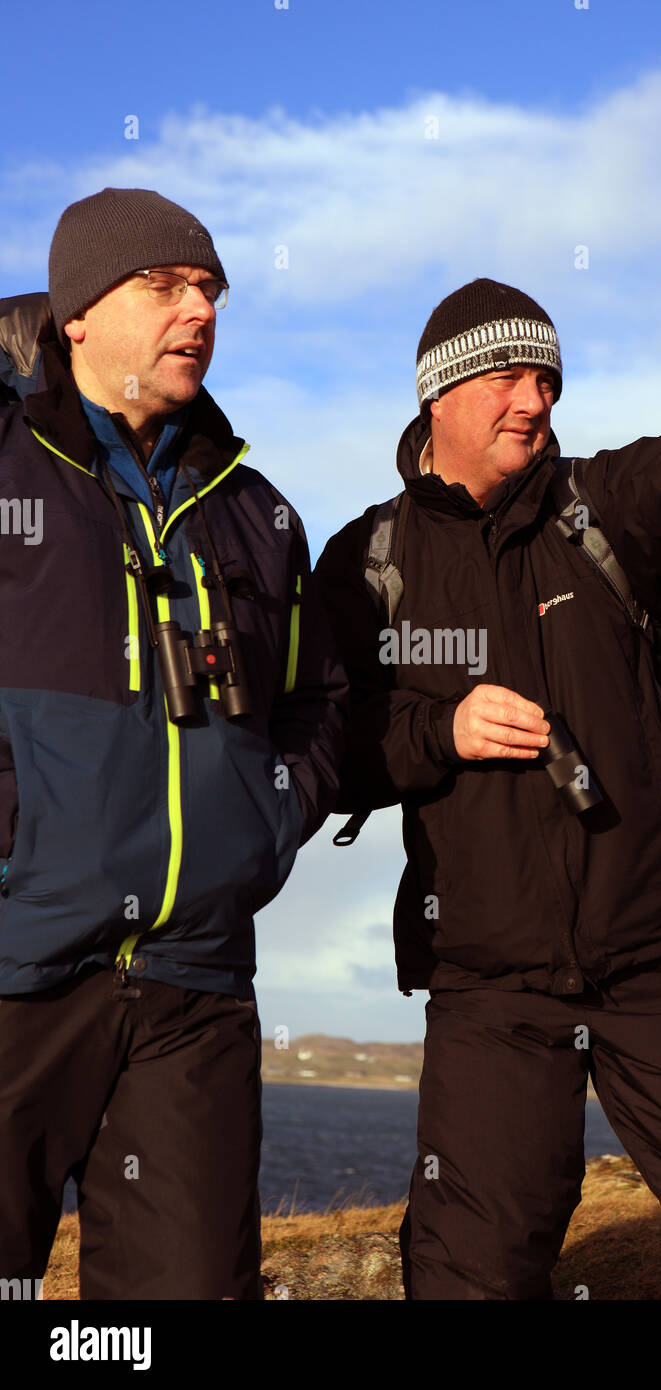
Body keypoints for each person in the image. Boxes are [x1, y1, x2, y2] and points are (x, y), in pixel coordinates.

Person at [314, 276, 661, 1300]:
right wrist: (443, 727)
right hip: (489, 981)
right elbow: (323, 746)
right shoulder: (366, 565)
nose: (532, 400)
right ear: (439, 393)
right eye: (507, 377)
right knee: (473, 1269)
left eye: (547, 380)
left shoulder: (601, 511)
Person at [0, 187, 347, 1300]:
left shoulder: (259, 512)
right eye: (163, 286)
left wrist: (272, 814)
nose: (196, 310)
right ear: (79, 316)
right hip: (17, 968)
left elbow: (322, 698)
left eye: (209, 290)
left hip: (195, 984)